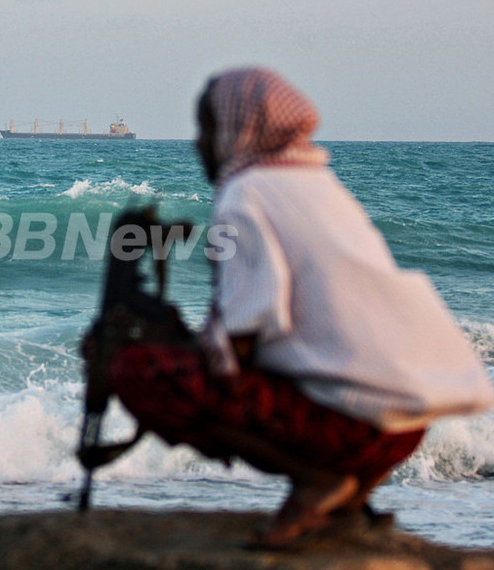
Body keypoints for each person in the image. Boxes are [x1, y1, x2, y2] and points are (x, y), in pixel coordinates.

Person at [101, 66, 494, 547]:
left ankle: (316, 480)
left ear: (239, 131)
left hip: (345, 428)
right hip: (404, 430)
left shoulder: (246, 194)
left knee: (140, 372)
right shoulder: (321, 186)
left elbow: (242, 341)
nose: (198, 143)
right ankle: (351, 497)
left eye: (207, 129)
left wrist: (155, 343)